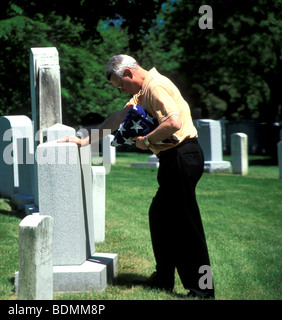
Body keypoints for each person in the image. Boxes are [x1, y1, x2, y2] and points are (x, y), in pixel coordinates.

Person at [60, 54, 215, 299]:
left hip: (183, 156)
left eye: (121, 85)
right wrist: (85, 140)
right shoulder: (141, 92)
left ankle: (202, 289)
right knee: (160, 216)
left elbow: (173, 122)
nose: (122, 91)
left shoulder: (155, 86)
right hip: (174, 159)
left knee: (186, 224)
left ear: (130, 73)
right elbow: (117, 119)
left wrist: (146, 140)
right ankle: (163, 278)